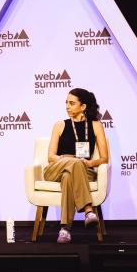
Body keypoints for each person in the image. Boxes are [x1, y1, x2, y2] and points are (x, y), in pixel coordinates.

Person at [45, 88, 109, 243]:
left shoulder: (95, 125)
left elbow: (104, 158)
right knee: (73, 164)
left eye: (72, 103)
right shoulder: (59, 125)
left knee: (69, 176)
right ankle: (88, 210)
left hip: (84, 170)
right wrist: (68, 159)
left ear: (83, 106)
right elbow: (50, 157)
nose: (67, 106)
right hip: (56, 169)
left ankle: (64, 229)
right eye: (66, 103)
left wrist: (91, 162)